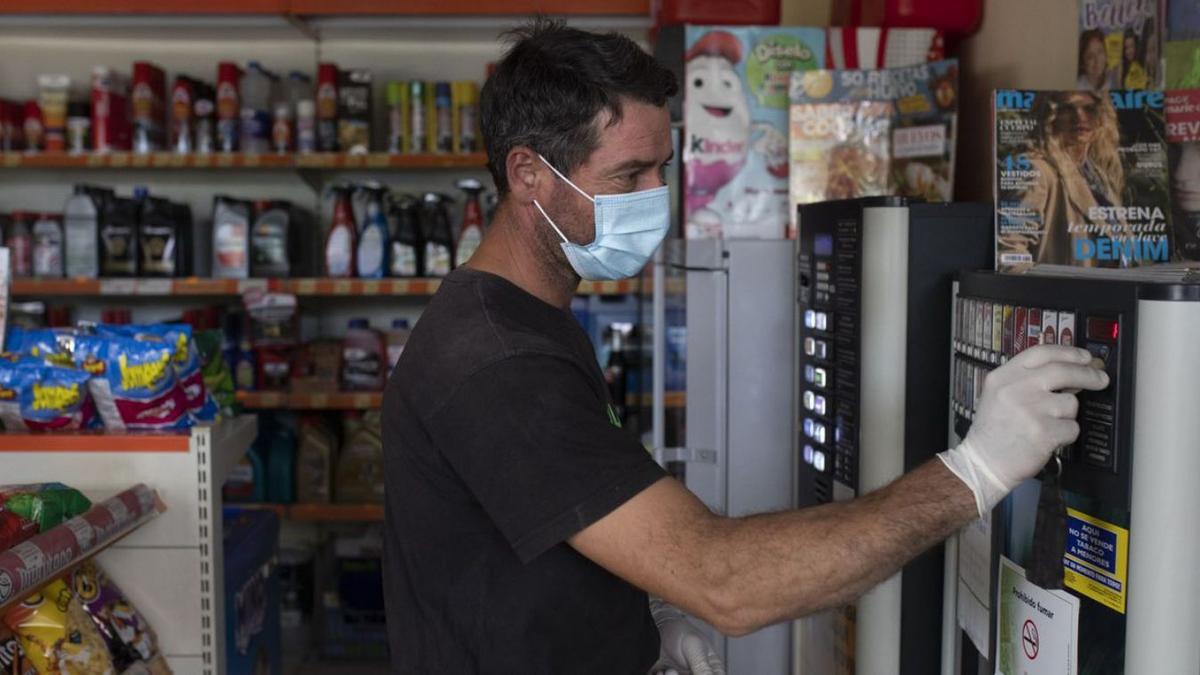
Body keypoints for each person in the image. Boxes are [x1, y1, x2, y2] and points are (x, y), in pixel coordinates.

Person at [382, 19, 1110, 674]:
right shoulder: (498, 359)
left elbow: (582, 516)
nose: (655, 195)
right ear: (527, 173)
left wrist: (645, 619)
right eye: (629, 175)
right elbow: (725, 581)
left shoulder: (530, 320)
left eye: (661, 168)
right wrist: (975, 471)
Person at [1001, 91, 1137, 268]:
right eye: (1067, 108)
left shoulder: (1097, 175)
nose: (1080, 116)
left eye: (1089, 109)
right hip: (1063, 294)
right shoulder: (1036, 170)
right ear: (1049, 116)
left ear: (1101, 117)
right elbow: (1009, 251)